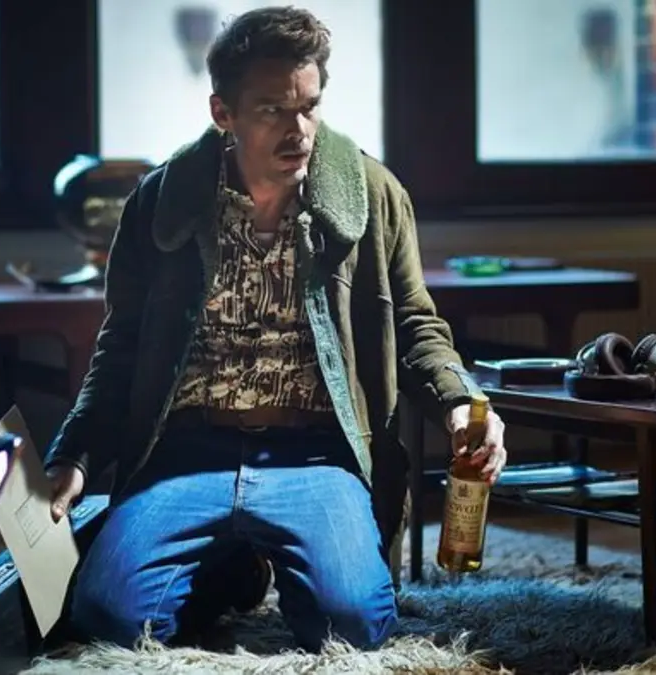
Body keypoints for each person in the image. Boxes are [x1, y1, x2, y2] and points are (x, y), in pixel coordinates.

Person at [42, 6, 508, 652]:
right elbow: (118, 351)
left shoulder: (372, 194)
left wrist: (461, 403)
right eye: (272, 111)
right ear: (222, 113)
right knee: (110, 622)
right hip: (186, 450)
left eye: (309, 107)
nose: (299, 131)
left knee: (353, 626)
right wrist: (72, 457)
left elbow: (415, 326)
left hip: (314, 454)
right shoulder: (160, 202)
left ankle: (251, 554)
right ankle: (230, 564)